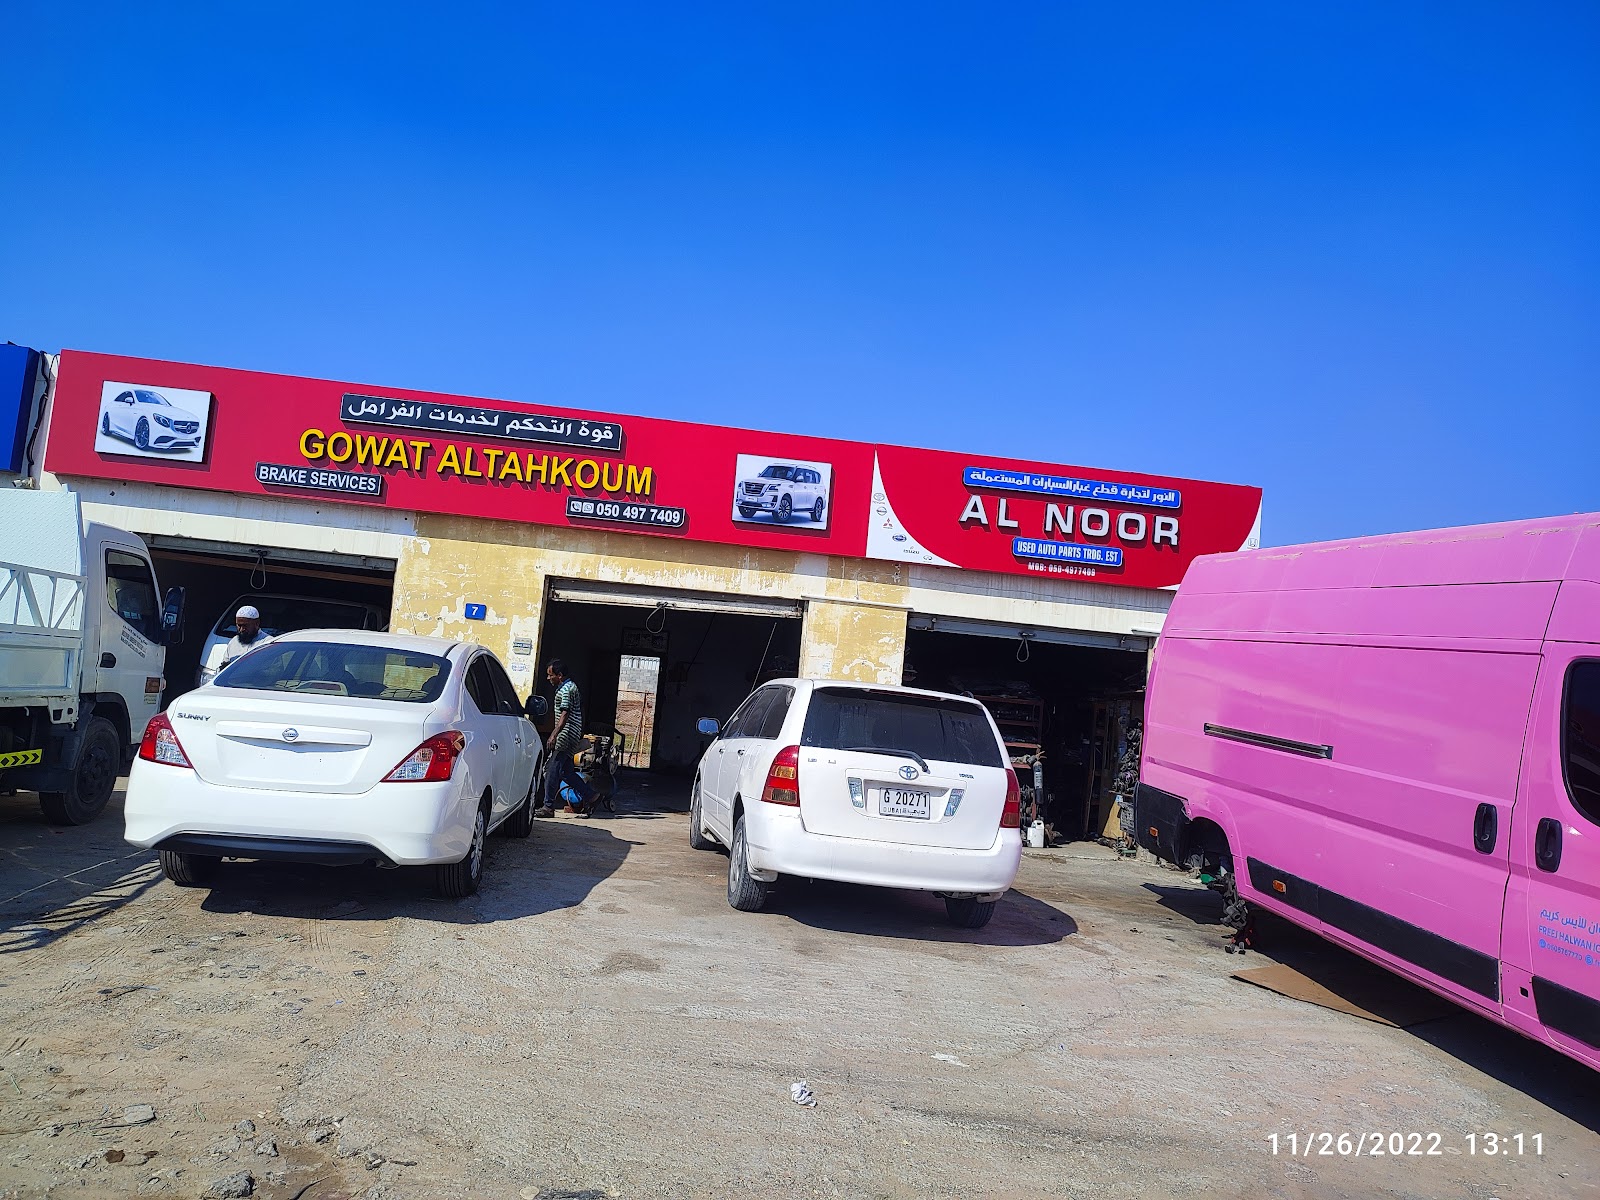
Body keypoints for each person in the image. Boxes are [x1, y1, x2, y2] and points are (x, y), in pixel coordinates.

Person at [537, 659, 593, 817]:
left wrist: (554, 734)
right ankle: (590, 795)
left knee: (551, 770)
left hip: (566, 734)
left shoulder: (567, 689)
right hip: (570, 733)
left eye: (551, 675)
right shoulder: (569, 687)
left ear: (560, 675)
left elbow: (565, 713)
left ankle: (548, 807)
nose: (548, 678)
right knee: (565, 772)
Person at [221, 604, 275, 669]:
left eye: (245, 626)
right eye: (239, 625)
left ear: (257, 623)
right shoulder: (234, 642)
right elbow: (224, 666)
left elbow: (274, 670)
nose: (241, 629)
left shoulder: (268, 643)